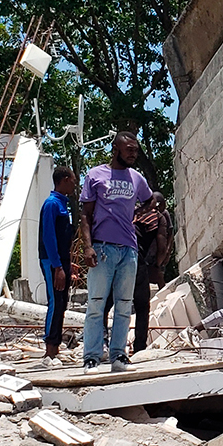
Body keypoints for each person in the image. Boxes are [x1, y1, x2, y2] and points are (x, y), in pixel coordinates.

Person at [79, 132, 152, 372]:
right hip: (102, 248)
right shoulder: (95, 175)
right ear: (116, 149)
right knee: (96, 304)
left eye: (135, 150)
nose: (133, 154)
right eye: (129, 149)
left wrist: (140, 213)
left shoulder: (137, 178)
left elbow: (150, 200)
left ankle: (119, 357)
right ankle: (91, 356)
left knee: (124, 305)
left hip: (128, 250)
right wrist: (87, 246)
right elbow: (85, 216)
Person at [36, 167, 77, 368]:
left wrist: (68, 262)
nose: (75, 184)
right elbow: (49, 237)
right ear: (65, 179)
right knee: (55, 301)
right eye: (73, 180)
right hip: (53, 262)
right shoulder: (51, 204)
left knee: (62, 303)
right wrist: (57, 266)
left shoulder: (63, 205)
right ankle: (50, 348)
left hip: (62, 261)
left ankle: (56, 349)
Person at [132, 191, 172, 357]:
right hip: (142, 259)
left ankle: (105, 344)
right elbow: (163, 243)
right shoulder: (158, 216)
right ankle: (139, 347)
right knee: (142, 305)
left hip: (123, 255)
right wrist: (159, 262)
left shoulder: (133, 213)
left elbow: (168, 238)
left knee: (116, 300)